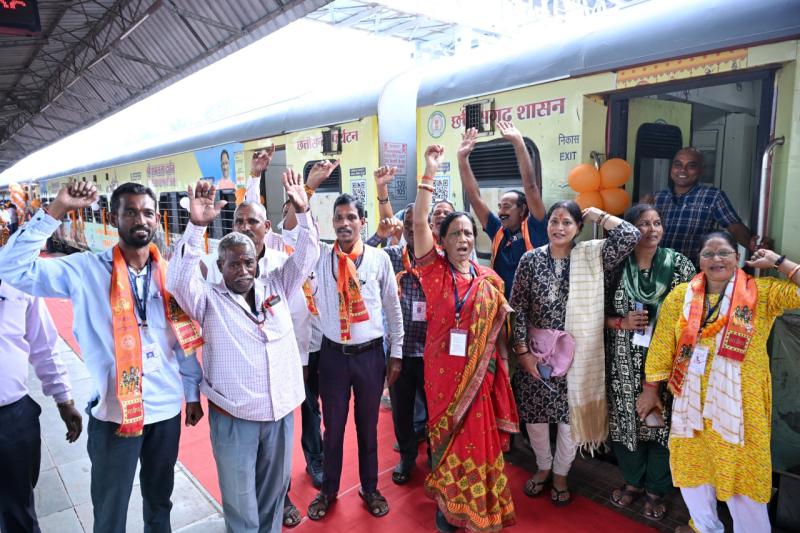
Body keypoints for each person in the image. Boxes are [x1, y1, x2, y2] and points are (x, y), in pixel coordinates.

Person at [0, 181, 204, 533]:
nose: (140, 219)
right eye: (130, 212)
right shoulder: (85, 270)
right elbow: (11, 269)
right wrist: (55, 211)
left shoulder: (170, 274)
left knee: (160, 503)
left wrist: (191, 393)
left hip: (166, 411)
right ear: (113, 218)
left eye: (147, 212)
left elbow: (180, 342)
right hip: (115, 416)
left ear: (157, 218)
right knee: (110, 512)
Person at [167, 174, 318, 533]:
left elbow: (308, 256)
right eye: (233, 264)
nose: (243, 270)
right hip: (235, 416)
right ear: (219, 267)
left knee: (274, 493)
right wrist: (195, 226)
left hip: (280, 412)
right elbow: (177, 280)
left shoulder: (276, 283)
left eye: (248, 262)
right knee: (240, 500)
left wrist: (304, 211)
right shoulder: (207, 300)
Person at [642, 231, 800, 533]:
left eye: (724, 252)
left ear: (737, 257)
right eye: (709, 253)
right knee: (694, 470)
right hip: (690, 404)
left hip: (742, 408)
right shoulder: (681, 295)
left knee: (744, 475)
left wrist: (778, 262)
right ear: (699, 260)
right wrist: (651, 389)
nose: (716, 259)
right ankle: (704, 527)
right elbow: (662, 345)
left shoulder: (761, 293)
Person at [283, 163, 404, 521]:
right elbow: (294, 233)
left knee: (368, 429)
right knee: (332, 430)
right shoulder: (321, 256)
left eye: (351, 217)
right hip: (333, 358)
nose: (344, 223)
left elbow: (393, 309)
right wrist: (303, 197)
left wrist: (396, 353)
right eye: (338, 218)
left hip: (370, 357)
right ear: (332, 223)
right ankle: (328, 491)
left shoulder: (379, 259)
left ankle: (370, 488)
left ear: (363, 222)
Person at [413, 145, 519, 532]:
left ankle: (476, 506)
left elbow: (499, 335)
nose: (463, 238)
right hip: (442, 376)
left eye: (469, 233)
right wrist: (429, 171)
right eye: (455, 233)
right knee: (445, 441)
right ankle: (447, 509)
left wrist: (502, 367)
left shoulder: (490, 280)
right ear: (441, 241)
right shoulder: (434, 271)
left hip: (480, 380)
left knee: (478, 440)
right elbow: (420, 221)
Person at [509, 200, 640, 506]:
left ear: (579, 227)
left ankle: (560, 474)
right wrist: (523, 353)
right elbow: (518, 309)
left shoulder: (592, 256)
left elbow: (630, 235)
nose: (559, 228)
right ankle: (543, 467)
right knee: (537, 418)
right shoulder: (530, 260)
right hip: (538, 354)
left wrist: (599, 215)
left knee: (570, 420)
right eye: (554, 221)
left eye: (567, 222)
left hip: (577, 356)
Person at [603, 204, 696, 522]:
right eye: (643, 223)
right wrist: (621, 322)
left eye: (657, 223)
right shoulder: (615, 265)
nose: (652, 229)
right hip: (621, 361)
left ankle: (657, 489)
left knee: (662, 425)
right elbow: (590, 313)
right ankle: (632, 482)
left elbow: (695, 314)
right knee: (625, 423)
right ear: (630, 229)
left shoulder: (679, 264)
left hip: (667, 360)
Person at [0, 279, 83, 533]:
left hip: (12, 417)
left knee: (18, 511)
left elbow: (43, 343)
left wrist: (64, 399)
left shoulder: (16, 277)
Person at [457, 121, 547, 299]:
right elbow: (474, 197)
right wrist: (462, 159)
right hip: (501, 305)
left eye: (507, 206)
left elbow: (531, 187)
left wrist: (518, 143)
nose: (500, 212)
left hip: (530, 307)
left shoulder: (535, 227)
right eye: (499, 207)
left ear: (523, 209)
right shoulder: (498, 230)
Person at [645, 147, 763, 264]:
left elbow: (735, 227)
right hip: (657, 269)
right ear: (672, 167)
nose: (683, 170)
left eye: (691, 166)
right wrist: (641, 211)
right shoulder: (655, 198)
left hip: (693, 270)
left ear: (701, 170)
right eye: (678, 164)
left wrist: (752, 244)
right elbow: (641, 235)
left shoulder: (713, 196)